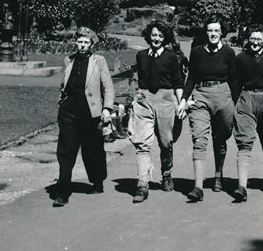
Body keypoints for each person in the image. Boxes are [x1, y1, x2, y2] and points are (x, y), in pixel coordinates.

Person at [177, 14, 238, 202]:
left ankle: (218, 175)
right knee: (199, 139)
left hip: (223, 95)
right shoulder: (196, 52)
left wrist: (236, 105)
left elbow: (234, 80)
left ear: (221, 33)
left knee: (221, 138)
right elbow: (192, 78)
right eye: (210, 30)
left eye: (216, 31)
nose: (213, 34)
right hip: (201, 95)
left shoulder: (228, 52)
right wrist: (184, 100)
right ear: (206, 32)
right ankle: (198, 187)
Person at [53, 27, 114, 207]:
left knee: (93, 150)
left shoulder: (98, 61)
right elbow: (64, 85)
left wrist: (107, 108)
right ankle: (63, 191)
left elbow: (108, 87)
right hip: (69, 112)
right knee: (66, 151)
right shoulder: (68, 60)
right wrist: (62, 101)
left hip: (91, 114)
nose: (82, 45)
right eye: (80, 42)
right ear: (76, 42)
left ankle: (97, 180)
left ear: (91, 44)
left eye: (86, 42)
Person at [127, 20, 183, 203]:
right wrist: (136, 97)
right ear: (148, 36)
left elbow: (177, 82)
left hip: (166, 101)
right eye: (153, 35)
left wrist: (180, 103)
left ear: (164, 37)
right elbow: (139, 78)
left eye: (160, 35)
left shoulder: (170, 57)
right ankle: (142, 184)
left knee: (166, 142)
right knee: (142, 143)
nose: (156, 38)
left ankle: (166, 174)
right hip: (145, 100)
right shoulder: (141, 55)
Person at [232, 24, 263, 201]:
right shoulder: (241, 58)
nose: (256, 42)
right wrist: (237, 103)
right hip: (246, 99)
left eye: (259, 39)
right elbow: (235, 82)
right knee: (244, 142)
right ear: (248, 39)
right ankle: (242, 186)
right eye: (253, 38)